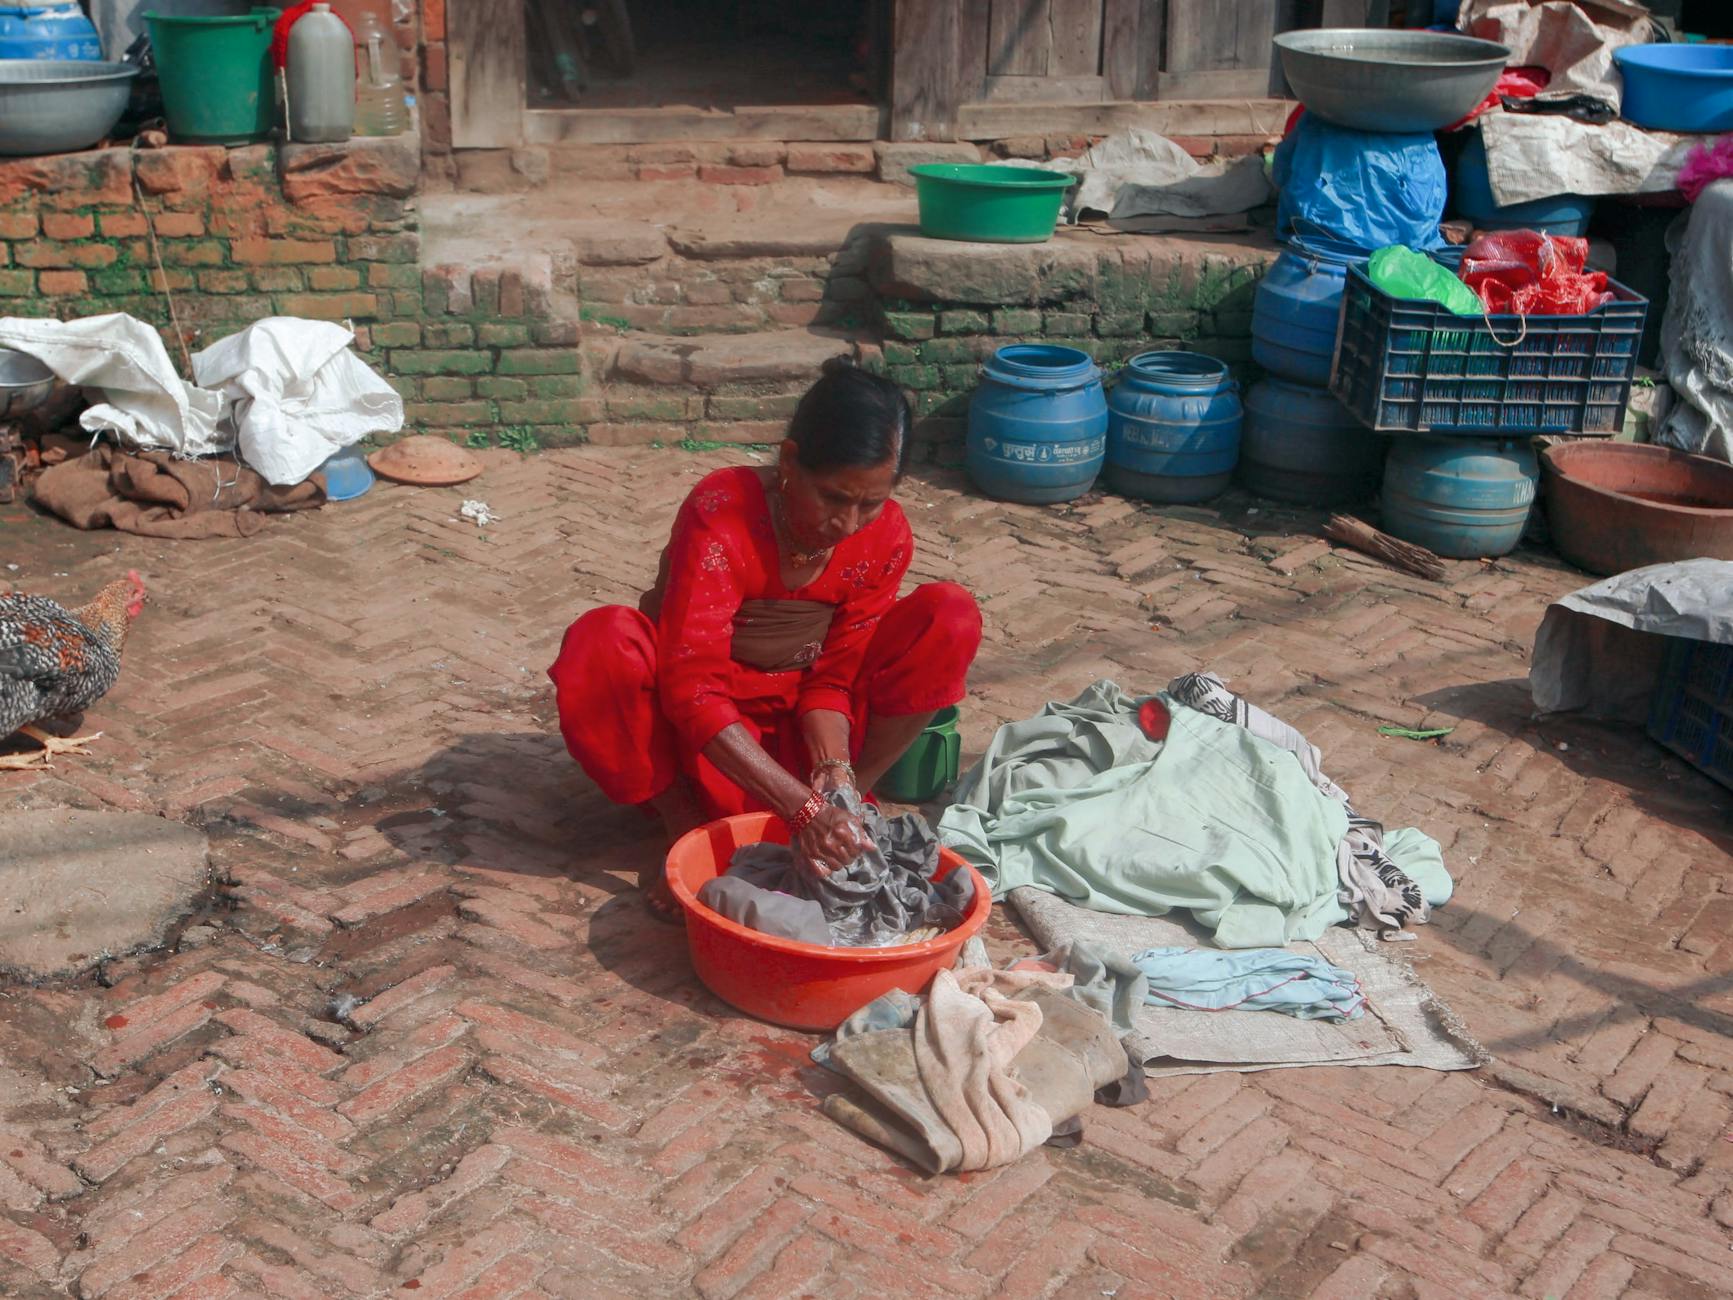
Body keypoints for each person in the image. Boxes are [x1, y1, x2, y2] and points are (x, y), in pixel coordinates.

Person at [549, 358, 983, 917]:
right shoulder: (723, 509)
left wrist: (832, 780)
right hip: (699, 731)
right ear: (789, 461)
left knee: (950, 614)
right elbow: (692, 688)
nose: (847, 525)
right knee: (602, 641)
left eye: (869, 504)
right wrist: (800, 811)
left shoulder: (887, 537)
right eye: (832, 497)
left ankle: (848, 811)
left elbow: (833, 680)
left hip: (795, 728)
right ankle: (684, 828)